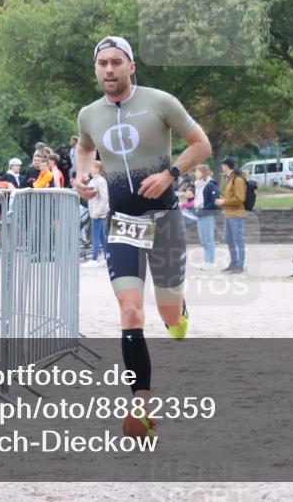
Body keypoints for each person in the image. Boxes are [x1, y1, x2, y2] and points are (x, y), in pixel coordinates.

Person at [75, 35, 211, 439]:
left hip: (165, 218)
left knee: (168, 313)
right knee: (131, 311)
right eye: (103, 64)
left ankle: (178, 311)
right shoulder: (89, 114)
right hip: (123, 223)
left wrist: (170, 174)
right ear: (97, 69)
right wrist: (82, 174)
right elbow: (84, 149)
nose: (109, 70)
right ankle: (140, 408)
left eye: (117, 62)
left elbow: (201, 145)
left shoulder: (161, 101)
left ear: (131, 66)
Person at [216, 157, 248, 273]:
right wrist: (223, 200)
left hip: (236, 214)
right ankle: (234, 262)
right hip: (228, 214)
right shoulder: (230, 178)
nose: (222, 167)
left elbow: (240, 198)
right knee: (229, 239)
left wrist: (224, 201)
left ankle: (240, 265)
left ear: (226, 166)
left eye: (222, 165)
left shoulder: (238, 179)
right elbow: (231, 196)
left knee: (238, 239)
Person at [82, 160, 110, 268]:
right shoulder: (94, 180)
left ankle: (94, 259)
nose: (90, 168)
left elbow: (104, 198)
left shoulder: (101, 181)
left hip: (97, 213)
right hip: (94, 212)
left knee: (96, 235)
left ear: (98, 168)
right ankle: (107, 257)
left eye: (92, 167)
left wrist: (97, 212)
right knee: (102, 236)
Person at [193, 164, 220, 270]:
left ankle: (211, 261)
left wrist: (203, 211)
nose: (196, 173)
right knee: (203, 240)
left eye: (197, 171)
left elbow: (213, 201)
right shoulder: (198, 185)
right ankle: (206, 260)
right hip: (200, 214)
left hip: (207, 215)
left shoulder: (210, 185)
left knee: (209, 239)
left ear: (203, 172)